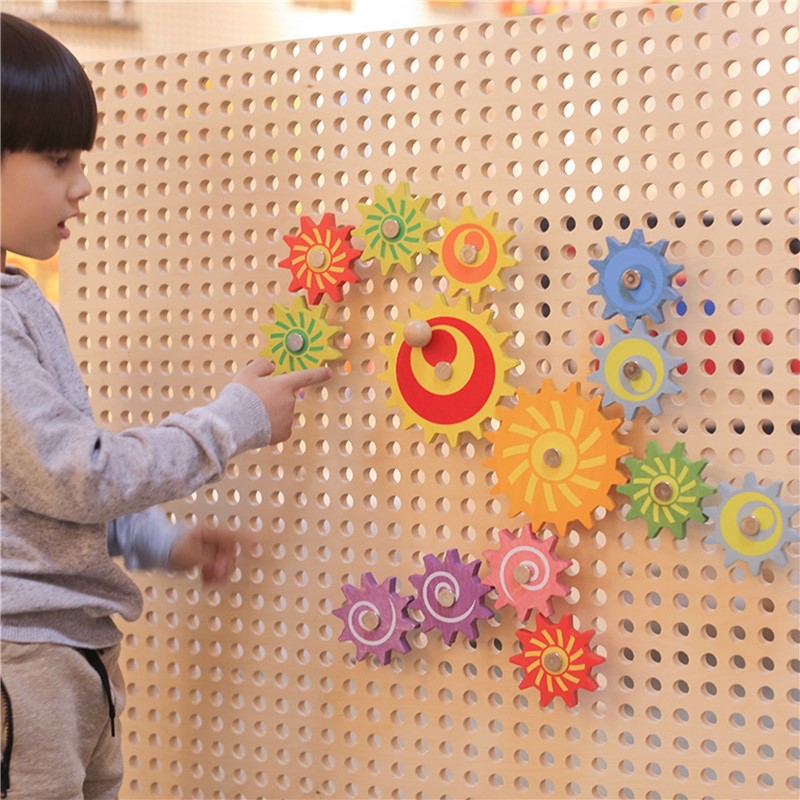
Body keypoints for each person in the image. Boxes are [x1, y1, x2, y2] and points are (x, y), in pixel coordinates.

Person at [0, 12, 331, 799]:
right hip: (22, 659)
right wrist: (233, 421)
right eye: (58, 159)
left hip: (63, 652)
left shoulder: (19, 302)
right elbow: (73, 474)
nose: (81, 184)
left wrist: (157, 540)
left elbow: (33, 491)